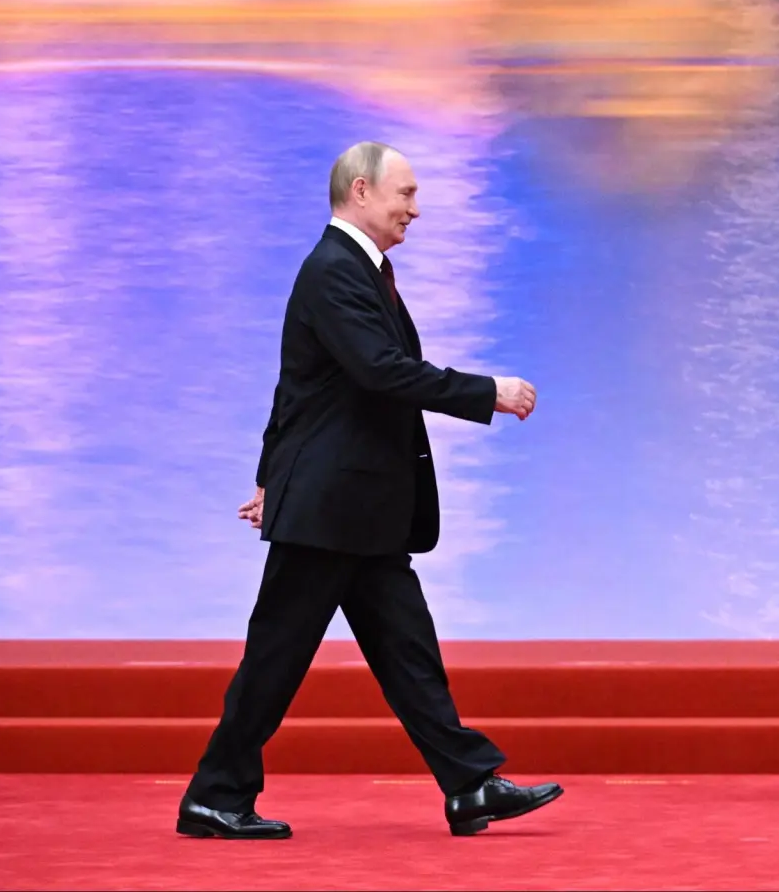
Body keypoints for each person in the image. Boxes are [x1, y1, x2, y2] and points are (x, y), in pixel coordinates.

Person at [178, 142, 563, 840]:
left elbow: (300, 389)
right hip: (330, 509)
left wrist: (269, 476)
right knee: (276, 657)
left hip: (354, 509)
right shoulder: (335, 270)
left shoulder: (358, 269)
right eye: (405, 194)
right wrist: (488, 392)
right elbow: (382, 371)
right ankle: (215, 795)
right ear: (361, 191)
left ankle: (468, 784)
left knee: (407, 651)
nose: (415, 209)